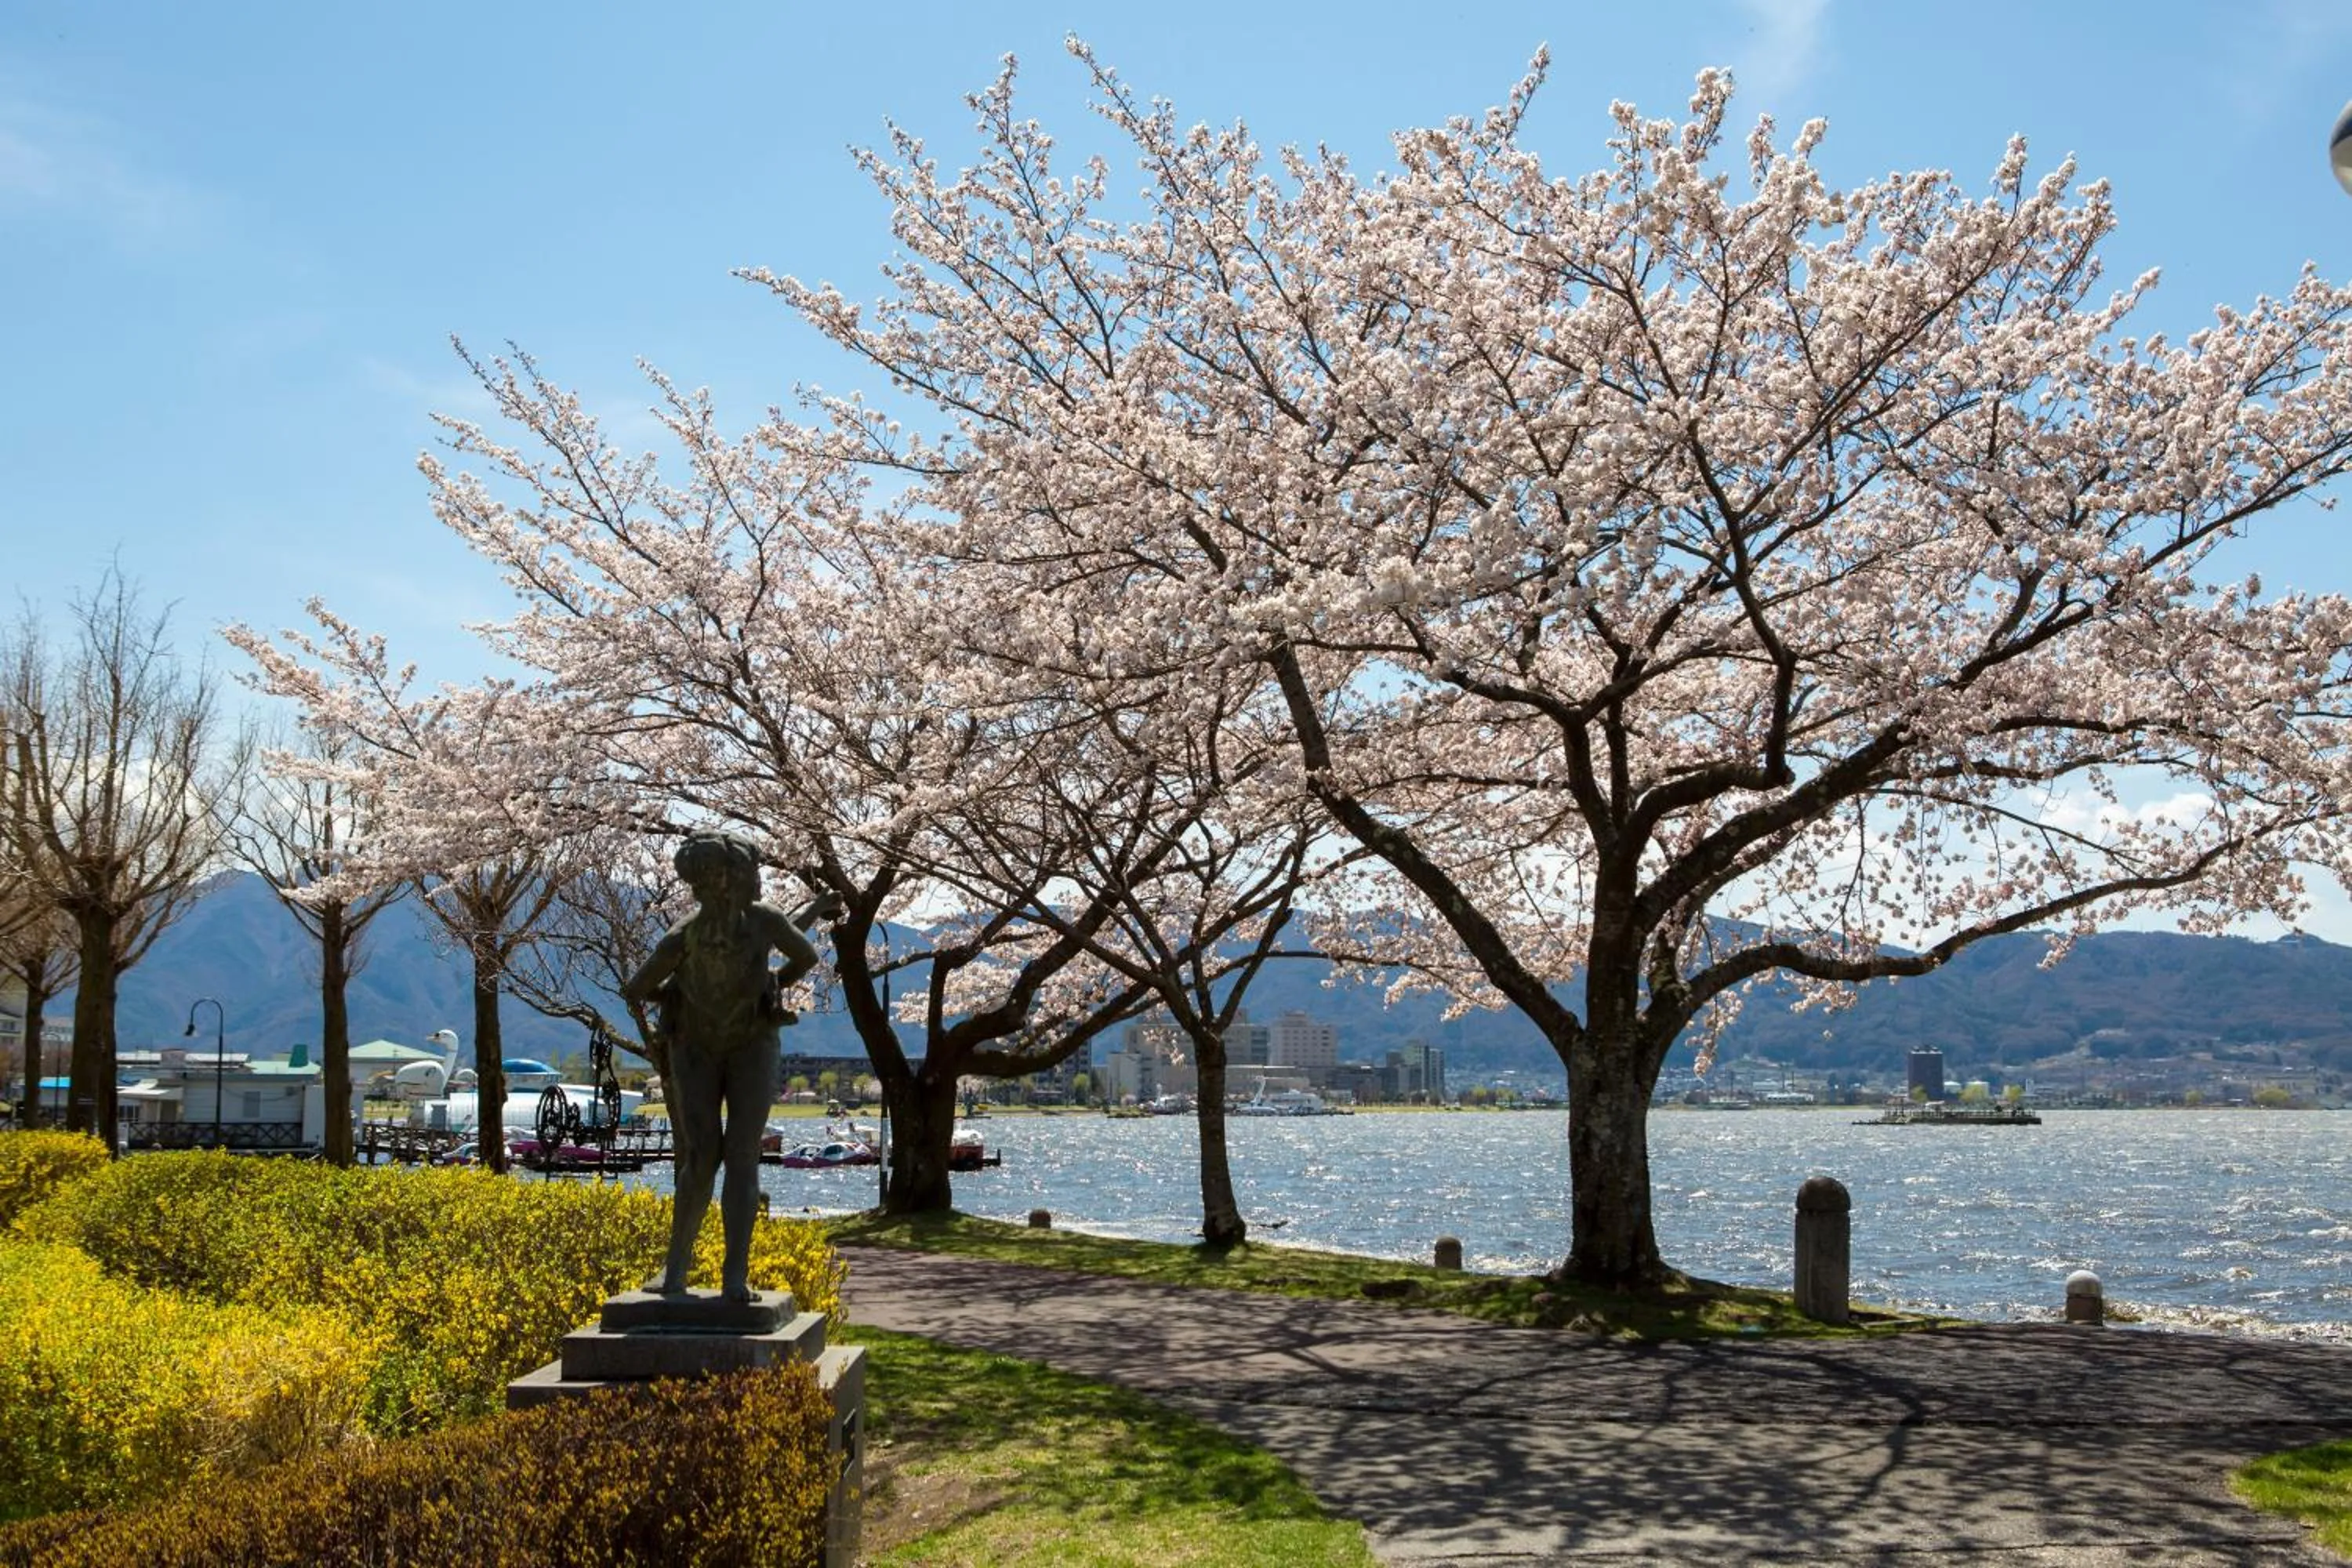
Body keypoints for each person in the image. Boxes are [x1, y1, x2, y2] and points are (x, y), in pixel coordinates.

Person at [623, 832, 840, 1300]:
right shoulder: (683, 936)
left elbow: (802, 951)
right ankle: (676, 1269)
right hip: (695, 1048)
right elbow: (638, 986)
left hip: (752, 1045)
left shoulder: (762, 922)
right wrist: (679, 998)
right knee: (703, 1158)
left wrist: (770, 985)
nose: (718, 888)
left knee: (740, 1153)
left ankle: (733, 1277)